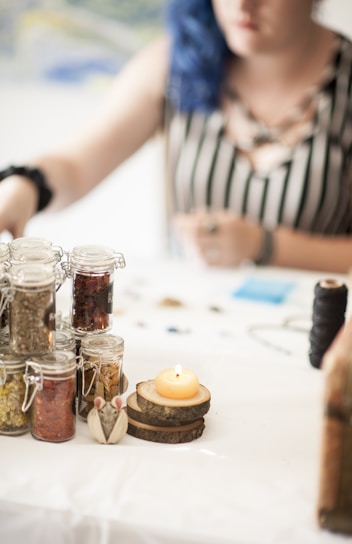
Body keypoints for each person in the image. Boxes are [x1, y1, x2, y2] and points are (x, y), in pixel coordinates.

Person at [0, 0, 351, 273]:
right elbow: (76, 166)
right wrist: (24, 185)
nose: (241, 5)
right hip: (191, 326)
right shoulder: (173, 64)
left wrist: (264, 246)